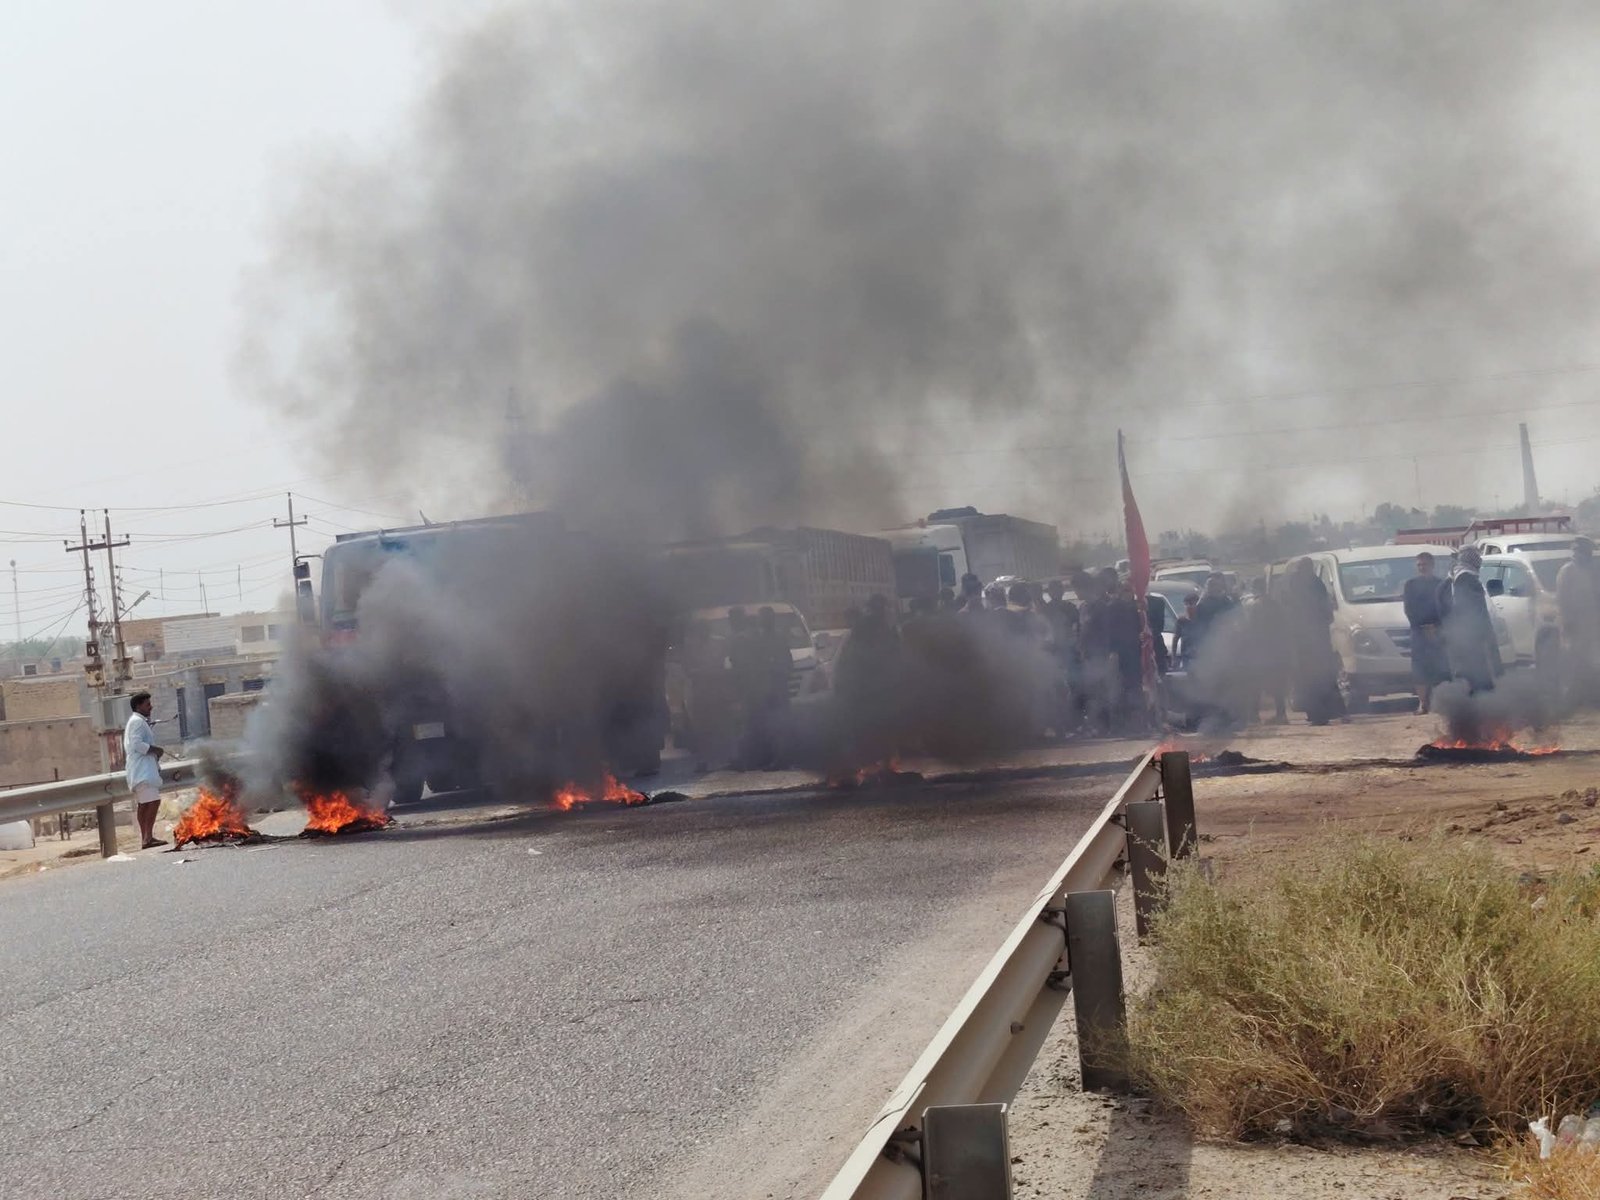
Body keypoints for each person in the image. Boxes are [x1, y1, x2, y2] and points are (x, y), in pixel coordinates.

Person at [1284, 558, 1345, 725]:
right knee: (1315, 679)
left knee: (1316, 678)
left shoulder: (1310, 584)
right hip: (1308, 641)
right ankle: (1320, 713)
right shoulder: (1310, 584)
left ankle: (1321, 714)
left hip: (1312, 641)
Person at [1439, 546, 1499, 694]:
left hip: (1456, 636)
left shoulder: (1450, 579)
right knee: (1479, 674)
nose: (1479, 560)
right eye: (1476, 556)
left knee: (1466, 674)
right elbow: (1475, 611)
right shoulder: (1466, 579)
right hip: (1472, 637)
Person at [1402, 551, 1450, 714]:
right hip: (1418, 633)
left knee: (1441, 668)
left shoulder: (1441, 584)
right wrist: (1423, 626)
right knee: (1419, 669)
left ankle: (1441, 702)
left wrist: (1436, 626)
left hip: (1439, 632)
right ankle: (1422, 703)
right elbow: (1409, 609)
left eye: (1425, 565)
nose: (1422, 568)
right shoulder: (1410, 585)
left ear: (1432, 565)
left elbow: (1446, 608)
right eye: (1419, 565)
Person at [1556, 536, 1600, 704]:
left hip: (1592, 623)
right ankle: (1568, 699)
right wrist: (1568, 623)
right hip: (1573, 624)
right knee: (1573, 660)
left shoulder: (1593, 570)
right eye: (1581, 552)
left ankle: (1589, 696)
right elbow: (1562, 600)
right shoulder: (1567, 571)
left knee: (1591, 660)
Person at [124, 691, 166, 849]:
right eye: (147, 704)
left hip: (142, 769)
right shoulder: (137, 722)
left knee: (145, 803)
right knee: (152, 802)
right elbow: (137, 744)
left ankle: (146, 837)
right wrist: (156, 750)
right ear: (138, 706)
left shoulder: (139, 721)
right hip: (143, 770)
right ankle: (147, 838)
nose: (151, 707)